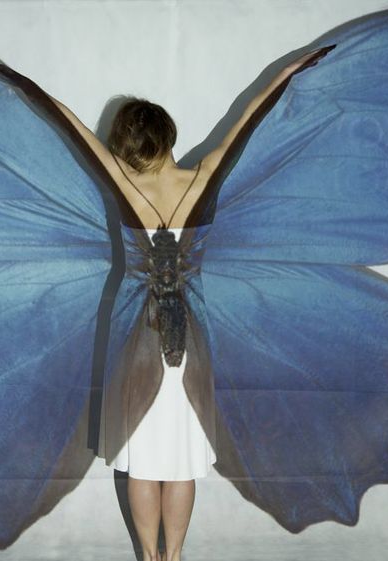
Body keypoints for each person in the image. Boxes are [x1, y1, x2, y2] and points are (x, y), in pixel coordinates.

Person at [47, 48, 327, 561]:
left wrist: (22, 83)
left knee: (143, 460)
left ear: (124, 145)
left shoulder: (122, 183)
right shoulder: (202, 178)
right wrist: (285, 75)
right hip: (191, 344)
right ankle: (173, 558)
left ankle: (149, 559)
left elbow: (70, 126)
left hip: (136, 342)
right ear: (169, 136)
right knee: (180, 460)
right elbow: (248, 122)